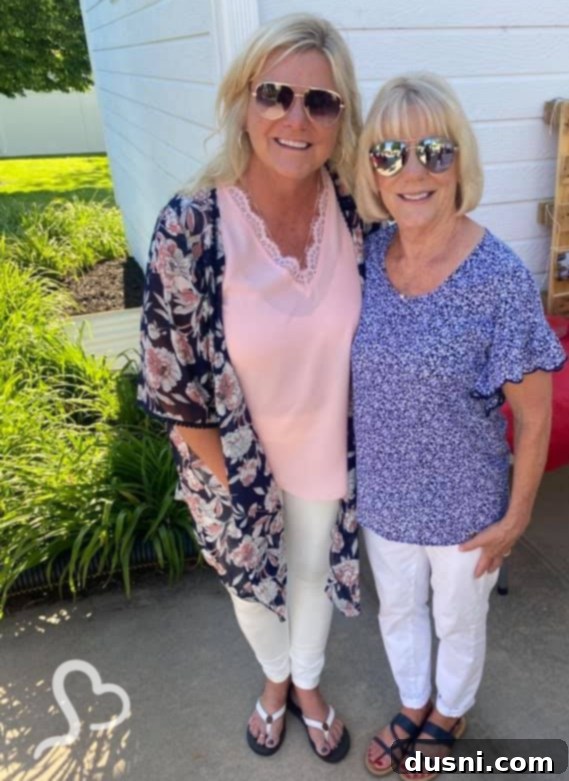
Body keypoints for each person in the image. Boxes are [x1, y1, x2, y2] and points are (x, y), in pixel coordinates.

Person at [137, 13, 367, 763]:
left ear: (341, 119)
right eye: (275, 94)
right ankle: (275, 680)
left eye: (320, 102)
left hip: (328, 457)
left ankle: (306, 683)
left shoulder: (358, 213)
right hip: (232, 466)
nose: (295, 118)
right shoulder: (190, 227)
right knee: (252, 586)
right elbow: (172, 386)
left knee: (312, 577)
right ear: (243, 102)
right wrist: (234, 486)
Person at [352, 72, 566, 779]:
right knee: (397, 613)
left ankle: (450, 710)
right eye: (389, 155)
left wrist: (516, 517)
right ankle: (413, 701)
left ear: (458, 161)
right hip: (384, 496)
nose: (411, 172)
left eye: (433, 151)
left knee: (456, 619)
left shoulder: (496, 276)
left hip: (464, 506)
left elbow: (534, 416)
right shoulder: (367, 259)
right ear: (370, 170)